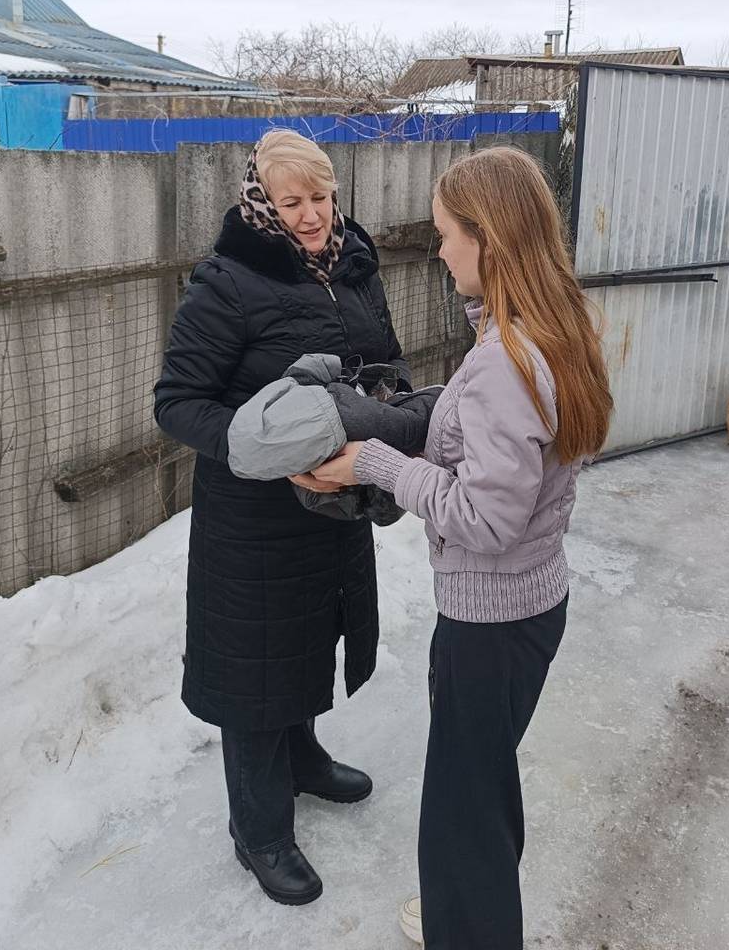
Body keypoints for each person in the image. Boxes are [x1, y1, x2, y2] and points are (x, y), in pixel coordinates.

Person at [314, 145, 613, 949]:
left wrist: (374, 463)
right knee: (480, 795)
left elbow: (485, 517)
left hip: (492, 625)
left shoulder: (507, 362)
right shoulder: (546, 329)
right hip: (526, 605)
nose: (440, 251)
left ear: (490, 238)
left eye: (447, 235)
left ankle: (469, 923)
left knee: (460, 817)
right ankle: (464, 909)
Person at [153, 130, 410, 906]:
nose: (311, 216)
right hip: (254, 517)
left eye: (321, 198)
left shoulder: (355, 267)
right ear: (261, 203)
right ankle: (259, 828)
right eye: (292, 201)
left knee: (309, 634)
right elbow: (178, 402)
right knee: (254, 663)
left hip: (332, 502)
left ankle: (301, 759)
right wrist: (267, 448)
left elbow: (384, 355)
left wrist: (388, 404)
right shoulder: (228, 282)